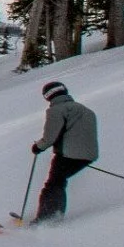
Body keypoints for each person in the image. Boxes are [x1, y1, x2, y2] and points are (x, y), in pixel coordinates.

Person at [31, 80, 98, 222]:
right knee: (58, 181)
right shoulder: (84, 109)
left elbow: (50, 136)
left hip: (67, 154)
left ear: (48, 97)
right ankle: (52, 215)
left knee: (53, 184)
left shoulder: (56, 110)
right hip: (87, 155)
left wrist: (38, 147)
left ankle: (48, 218)